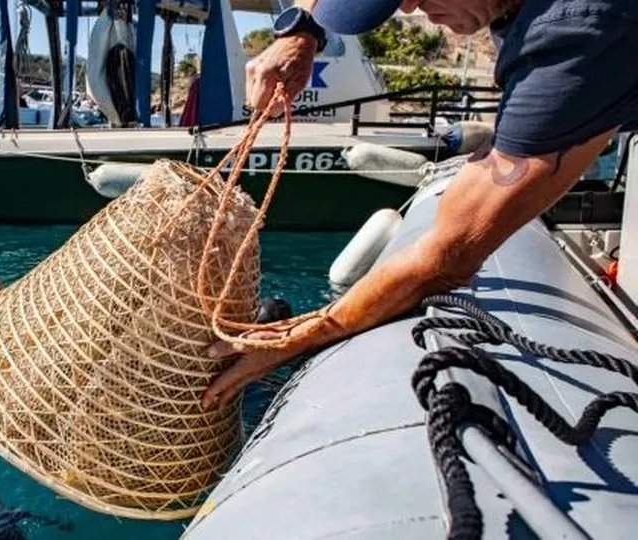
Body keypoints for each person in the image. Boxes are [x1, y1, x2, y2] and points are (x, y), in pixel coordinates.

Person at [201, 0, 638, 410]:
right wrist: (300, 32)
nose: (409, 7)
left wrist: (303, 333)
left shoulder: (574, 33)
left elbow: (448, 254)